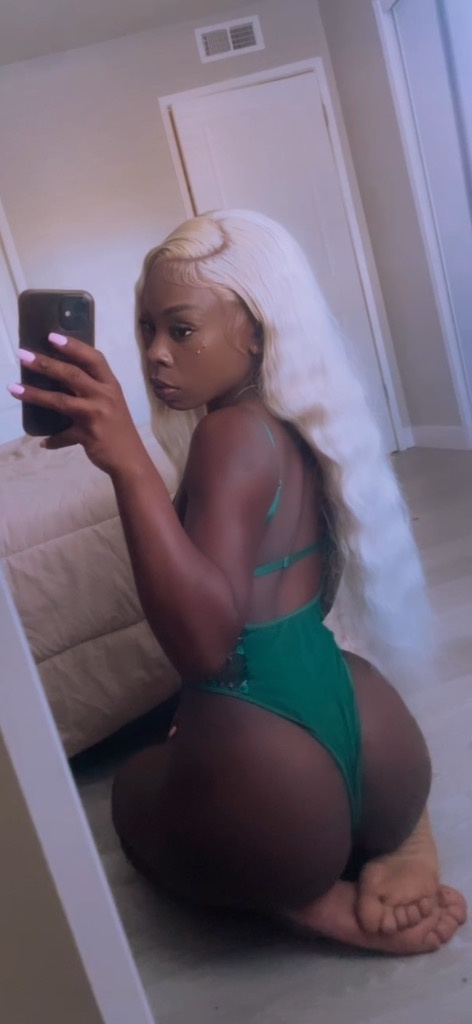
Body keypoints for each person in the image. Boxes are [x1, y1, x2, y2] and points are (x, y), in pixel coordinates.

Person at [9, 209, 467, 954]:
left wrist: (126, 460)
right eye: (146, 328)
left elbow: (205, 648)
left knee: (133, 792)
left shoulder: (227, 436)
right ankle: (396, 832)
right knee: (201, 738)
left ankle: (304, 900)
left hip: (277, 790)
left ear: (254, 331)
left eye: (181, 330)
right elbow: (304, 592)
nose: (155, 355)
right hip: (374, 735)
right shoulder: (298, 422)